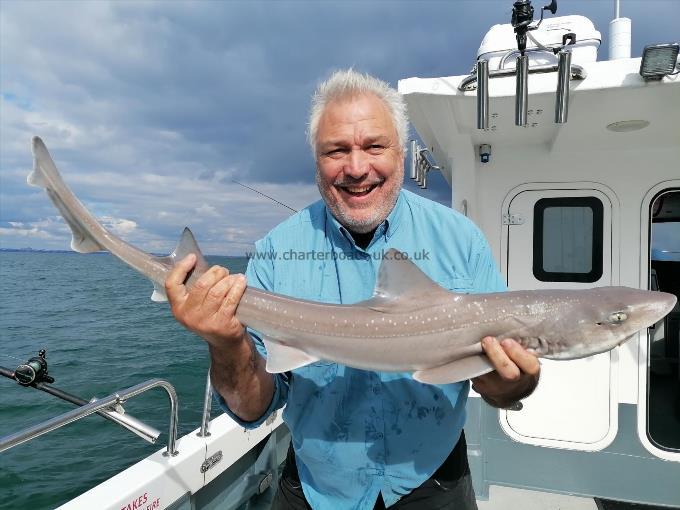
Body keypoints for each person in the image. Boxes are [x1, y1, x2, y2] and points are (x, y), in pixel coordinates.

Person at [165, 69, 541, 510]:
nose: (357, 168)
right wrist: (225, 342)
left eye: (374, 146)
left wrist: (513, 385)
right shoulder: (275, 251)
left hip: (432, 480)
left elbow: (496, 387)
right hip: (317, 487)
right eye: (336, 151)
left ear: (402, 153)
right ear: (316, 161)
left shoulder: (461, 241)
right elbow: (253, 409)